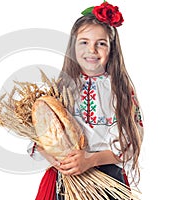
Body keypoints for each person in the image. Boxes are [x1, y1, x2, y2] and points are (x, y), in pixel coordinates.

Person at [31, 1, 144, 200]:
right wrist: (57, 159)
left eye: (101, 43)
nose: (91, 50)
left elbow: (131, 143)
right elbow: (39, 138)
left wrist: (91, 160)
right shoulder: (61, 89)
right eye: (84, 42)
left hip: (107, 179)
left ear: (112, 49)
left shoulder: (120, 90)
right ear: (73, 46)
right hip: (64, 179)